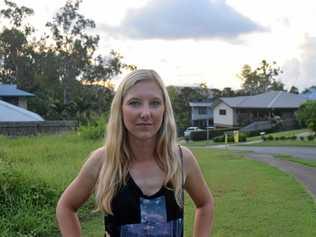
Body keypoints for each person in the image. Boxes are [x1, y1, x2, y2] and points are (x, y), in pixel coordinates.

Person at [56, 69, 214, 236]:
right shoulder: (103, 161)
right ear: (120, 109)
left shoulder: (181, 160)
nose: (145, 113)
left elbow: (205, 204)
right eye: (135, 103)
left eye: (154, 103)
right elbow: (66, 207)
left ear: (165, 110)